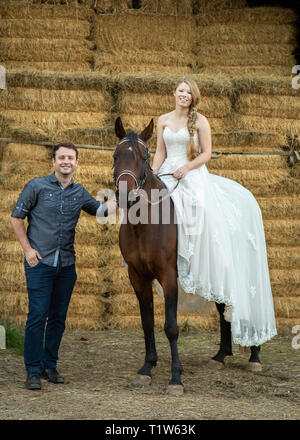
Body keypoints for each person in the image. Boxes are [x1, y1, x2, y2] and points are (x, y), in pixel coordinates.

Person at [152, 78, 277, 348]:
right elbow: (160, 153)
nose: (184, 95)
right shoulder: (162, 120)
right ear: (173, 93)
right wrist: (151, 176)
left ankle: (201, 257)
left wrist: (187, 168)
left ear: (193, 97)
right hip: (166, 173)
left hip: (192, 173)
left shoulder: (201, 121)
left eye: (189, 92)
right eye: (180, 90)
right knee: (149, 212)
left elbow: (207, 153)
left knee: (198, 209)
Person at [10, 142, 116, 390]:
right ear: (54, 162)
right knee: (37, 316)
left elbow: (101, 212)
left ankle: (50, 366)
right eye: (61, 157)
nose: (66, 161)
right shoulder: (36, 186)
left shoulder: (79, 192)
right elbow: (16, 218)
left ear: (77, 163)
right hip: (40, 263)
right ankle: (33, 371)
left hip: (66, 266)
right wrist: (28, 250)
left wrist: (121, 195)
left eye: (70, 158)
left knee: (58, 318)